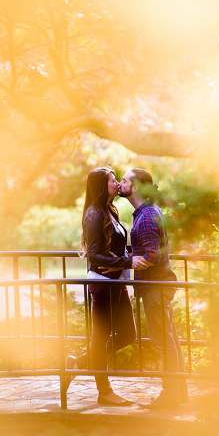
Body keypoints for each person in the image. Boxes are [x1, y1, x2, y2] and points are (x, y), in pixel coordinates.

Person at [66, 167, 149, 406]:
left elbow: (116, 249)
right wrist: (127, 261)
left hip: (117, 282)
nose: (117, 183)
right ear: (103, 186)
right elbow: (94, 256)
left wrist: (129, 257)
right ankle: (104, 392)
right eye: (114, 180)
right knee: (99, 339)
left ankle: (78, 362)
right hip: (102, 284)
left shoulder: (109, 210)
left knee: (128, 335)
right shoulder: (93, 214)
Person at [117, 168, 188, 409]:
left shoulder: (146, 216)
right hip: (159, 284)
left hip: (154, 286)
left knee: (162, 342)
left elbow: (150, 255)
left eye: (124, 180)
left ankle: (170, 396)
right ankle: (179, 393)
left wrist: (126, 263)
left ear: (135, 187)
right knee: (170, 340)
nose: (120, 183)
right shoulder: (146, 213)